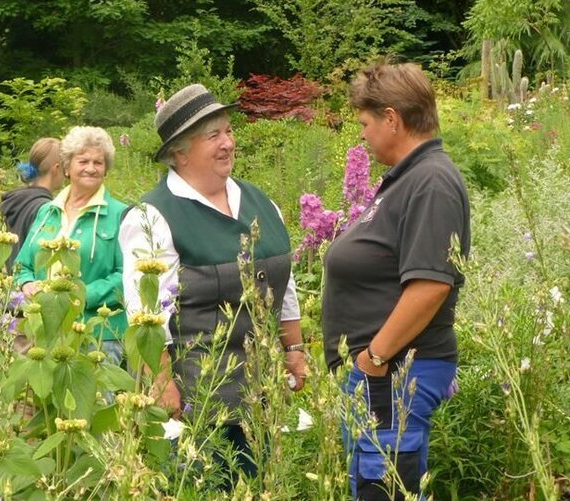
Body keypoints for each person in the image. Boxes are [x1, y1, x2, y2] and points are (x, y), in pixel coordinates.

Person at [119, 84, 306, 477]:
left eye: (228, 131)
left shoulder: (262, 204)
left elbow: (282, 288)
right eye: (213, 135)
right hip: (200, 402)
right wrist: (161, 383)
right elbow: (145, 316)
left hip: (264, 394)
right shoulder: (152, 217)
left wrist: (295, 349)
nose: (227, 143)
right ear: (179, 152)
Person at [321, 62, 470, 500]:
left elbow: (431, 284)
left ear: (392, 118)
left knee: (383, 491)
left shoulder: (431, 182)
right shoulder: (409, 179)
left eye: (366, 123)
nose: (363, 135)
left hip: (394, 375)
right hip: (382, 376)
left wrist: (374, 357)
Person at [14, 127, 128, 362]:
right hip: (44, 330)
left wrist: (80, 296)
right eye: (83, 160)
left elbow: (126, 275)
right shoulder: (47, 211)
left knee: (96, 398)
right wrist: (26, 284)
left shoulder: (121, 214)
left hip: (97, 335)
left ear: (106, 168)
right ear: (66, 166)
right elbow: (22, 265)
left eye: (98, 162)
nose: (91, 168)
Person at [0, 137, 65, 270]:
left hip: (14, 286)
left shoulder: (16, 201)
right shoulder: (45, 208)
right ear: (56, 168)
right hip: (31, 286)